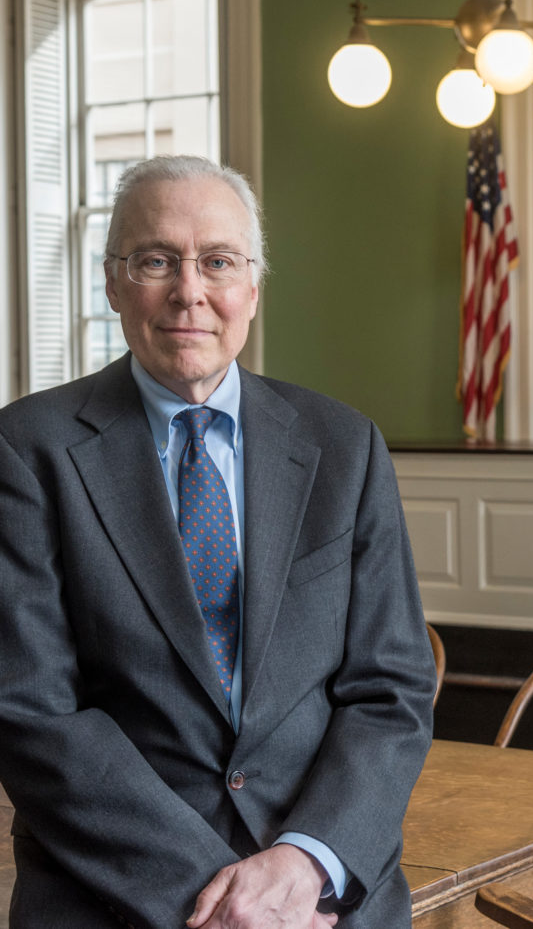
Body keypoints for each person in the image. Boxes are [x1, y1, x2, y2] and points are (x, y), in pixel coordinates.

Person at [0, 155, 436, 929]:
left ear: (253, 288)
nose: (189, 291)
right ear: (111, 282)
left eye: (219, 262)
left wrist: (304, 864)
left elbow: (390, 689)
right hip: (113, 894)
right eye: (155, 260)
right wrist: (231, 902)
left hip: (320, 899)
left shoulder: (346, 447)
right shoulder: (25, 449)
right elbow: (30, 710)